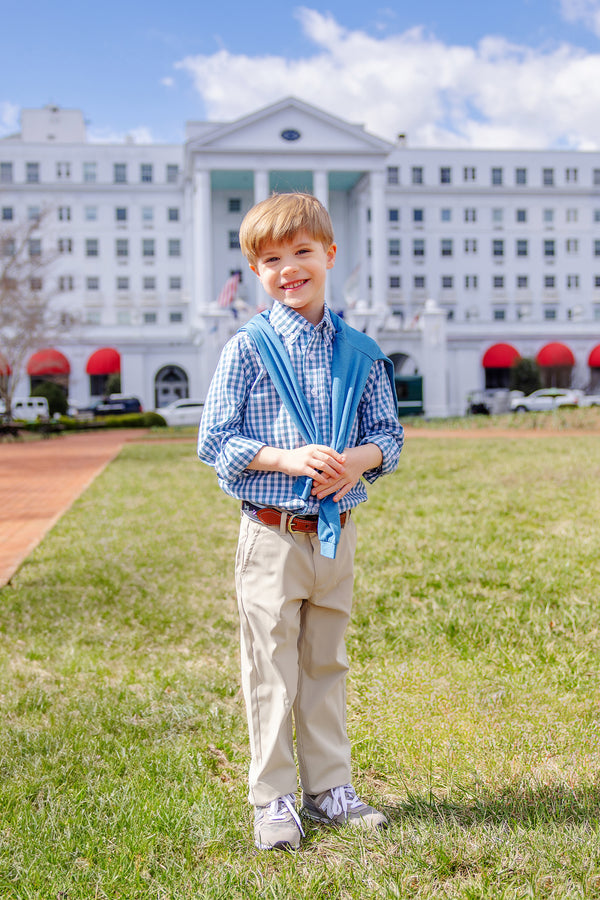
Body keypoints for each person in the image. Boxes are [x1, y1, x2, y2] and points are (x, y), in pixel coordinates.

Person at [197, 192, 404, 851]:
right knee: (270, 668)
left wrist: (356, 461)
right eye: (271, 259)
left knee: (325, 661)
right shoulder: (247, 349)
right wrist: (286, 458)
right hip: (271, 534)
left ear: (330, 255)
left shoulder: (363, 353)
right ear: (255, 271)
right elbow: (215, 440)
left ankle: (330, 788)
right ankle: (274, 798)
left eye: (302, 252)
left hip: (334, 535)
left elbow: (389, 437)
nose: (289, 268)